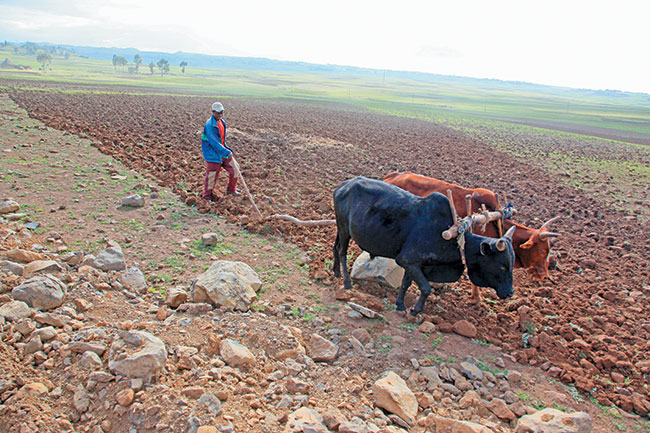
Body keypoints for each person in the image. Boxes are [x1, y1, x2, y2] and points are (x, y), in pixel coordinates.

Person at [201, 102, 240, 200]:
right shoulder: (209, 125)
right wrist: (226, 152)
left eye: (221, 112)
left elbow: (222, 140)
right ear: (213, 112)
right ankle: (207, 197)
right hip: (212, 154)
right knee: (212, 176)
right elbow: (214, 143)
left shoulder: (222, 122)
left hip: (222, 152)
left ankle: (231, 190)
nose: (220, 115)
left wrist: (227, 149)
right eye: (218, 113)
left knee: (235, 169)